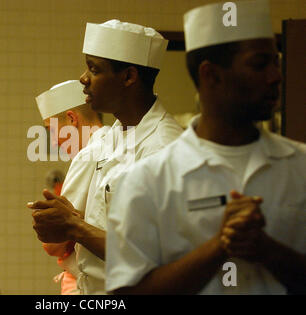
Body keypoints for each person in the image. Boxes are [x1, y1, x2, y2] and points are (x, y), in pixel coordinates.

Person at [105, 0, 306, 295]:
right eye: (260, 64)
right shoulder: (146, 181)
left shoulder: (299, 166)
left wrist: (266, 250)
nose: (276, 76)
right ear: (211, 75)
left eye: (276, 62)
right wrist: (218, 247)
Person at [28, 20, 183, 294]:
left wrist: (73, 226)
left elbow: (153, 255)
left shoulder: (166, 148)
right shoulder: (112, 136)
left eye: (94, 69)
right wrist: (61, 221)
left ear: (128, 77)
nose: (83, 79)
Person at [35, 80, 107, 295]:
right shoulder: (121, 143)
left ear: (72, 119)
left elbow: (54, 242)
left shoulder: (90, 154)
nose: (55, 142)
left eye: (52, 130)